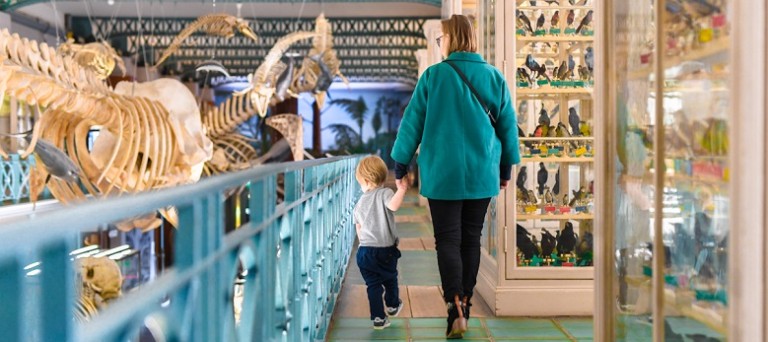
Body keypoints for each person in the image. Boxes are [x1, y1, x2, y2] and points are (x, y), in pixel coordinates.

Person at [390, 14, 521, 338]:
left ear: (450, 39)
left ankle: (454, 306)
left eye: (441, 38)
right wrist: (505, 168)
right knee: (471, 238)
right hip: (481, 173)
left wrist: (400, 164)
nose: (440, 43)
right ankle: (466, 299)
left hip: (443, 174)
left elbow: (412, 124)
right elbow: (507, 128)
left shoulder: (433, 77)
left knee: (447, 239)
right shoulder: (493, 77)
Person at [353, 155, 408, 329]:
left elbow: (359, 229)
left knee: (373, 285)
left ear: (367, 181)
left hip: (364, 252)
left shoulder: (359, 202)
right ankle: (392, 306)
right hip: (384, 250)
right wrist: (402, 190)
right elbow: (393, 206)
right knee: (390, 278)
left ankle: (378, 318)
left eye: (360, 182)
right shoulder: (385, 193)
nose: (360, 186)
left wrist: (365, 245)